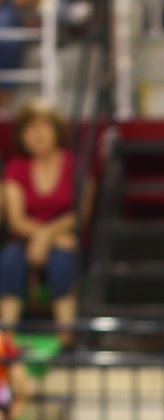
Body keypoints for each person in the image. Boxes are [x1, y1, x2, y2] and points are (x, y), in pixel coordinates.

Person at [0, 98, 80, 330]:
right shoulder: (15, 167)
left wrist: (47, 237)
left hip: (66, 239)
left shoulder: (74, 164)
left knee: (63, 259)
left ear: (56, 130)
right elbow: (16, 220)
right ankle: (6, 337)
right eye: (30, 128)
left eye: (44, 126)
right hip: (24, 240)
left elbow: (78, 214)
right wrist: (43, 237)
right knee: (10, 259)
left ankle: (68, 337)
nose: (37, 134)